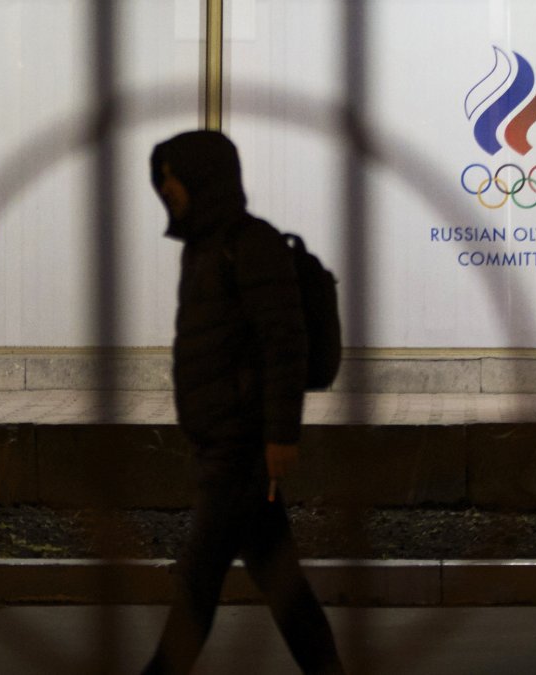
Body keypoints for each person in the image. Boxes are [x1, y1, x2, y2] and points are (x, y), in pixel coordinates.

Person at [143, 130, 344, 675]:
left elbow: (285, 342)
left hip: (242, 446)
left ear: (204, 177)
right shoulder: (205, 248)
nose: (165, 187)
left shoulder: (249, 244)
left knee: (198, 584)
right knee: (284, 587)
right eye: (160, 176)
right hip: (223, 441)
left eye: (173, 174)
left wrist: (281, 434)